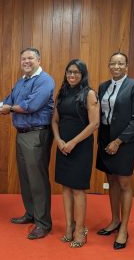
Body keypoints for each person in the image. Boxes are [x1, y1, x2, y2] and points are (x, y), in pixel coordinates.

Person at [0, 47, 55, 240]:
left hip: (36, 134)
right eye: (23, 59)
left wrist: (9, 108)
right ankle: (31, 213)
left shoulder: (45, 80)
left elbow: (32, 105)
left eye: (30, 58)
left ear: (39, 60)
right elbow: (7, 101)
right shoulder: (21, 81)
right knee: (25, 177)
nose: (26, 61)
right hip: (22, 134)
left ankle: (43, 223)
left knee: (37, 179)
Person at [95, 52, 134, 249]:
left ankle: (124, 228)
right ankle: (114, 220)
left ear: (126, 66)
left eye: (121, 63)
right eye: (113, 63)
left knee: (124, 182)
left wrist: (118, 141)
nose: (116, 66)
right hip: (105, 137)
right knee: (112, 180)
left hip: (124, 140)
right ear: (109, 65)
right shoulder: (103, 87)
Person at [51, 59, 99, 248]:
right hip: (63, 146)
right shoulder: (61, 93)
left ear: (83, 74)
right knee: (65, 187)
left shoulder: (89, 94)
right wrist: (59, 140)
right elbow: (54, 120)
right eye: (69, 72)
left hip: (81, 147)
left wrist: (72, 142)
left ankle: (80, 229)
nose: (72, 75)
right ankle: (69, 228)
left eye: (76, 72)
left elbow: (94, 124)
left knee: (78, 189)